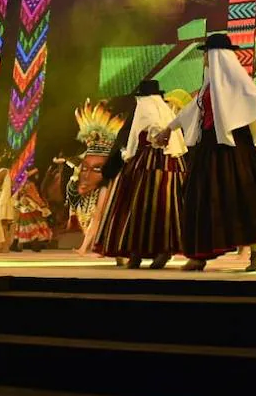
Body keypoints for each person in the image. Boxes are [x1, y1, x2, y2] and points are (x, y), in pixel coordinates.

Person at [160, 33, 256, 272]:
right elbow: (191, 111)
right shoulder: (209, 85)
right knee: (201, 198)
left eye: (207, 53)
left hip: (232, 148)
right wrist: (169, 128)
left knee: (237, 196)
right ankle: (199, 255)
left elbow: (254, 96)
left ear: (217, 56)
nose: (204, 58)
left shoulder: (235, 81)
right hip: (210, 146)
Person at [94, 80, 187, 269]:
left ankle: (139, 253)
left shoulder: (145, 107)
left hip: (148, 163)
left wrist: (155, 136)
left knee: (138, 206)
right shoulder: (165, 109)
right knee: (164, 207)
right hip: (169, 163)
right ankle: (154, 251)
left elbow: (151, 128)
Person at [66, 100, 124, 254]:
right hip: (96, 185)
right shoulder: (87, 157)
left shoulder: (114, 158)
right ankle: (90, 246)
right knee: (93, 216)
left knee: (98, 215)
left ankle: (91, 247)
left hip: (107, 184)